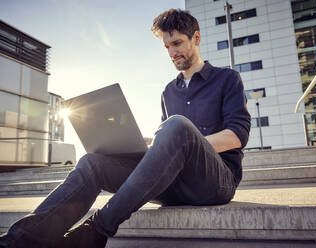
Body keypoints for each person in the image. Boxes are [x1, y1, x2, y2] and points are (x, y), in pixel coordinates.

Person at [0, 9, 250, 248]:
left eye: (177, 43)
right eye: (166, 47)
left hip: (215, 184)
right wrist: (148, 145)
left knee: (176, 125)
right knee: (92, 163)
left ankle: (97, 229)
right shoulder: (168, 92)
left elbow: (236, 135)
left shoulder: (227, 79)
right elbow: (171, 142)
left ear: (196, 38)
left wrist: (181, 142)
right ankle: (17, 241)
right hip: (173, 185)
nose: (171, 52)